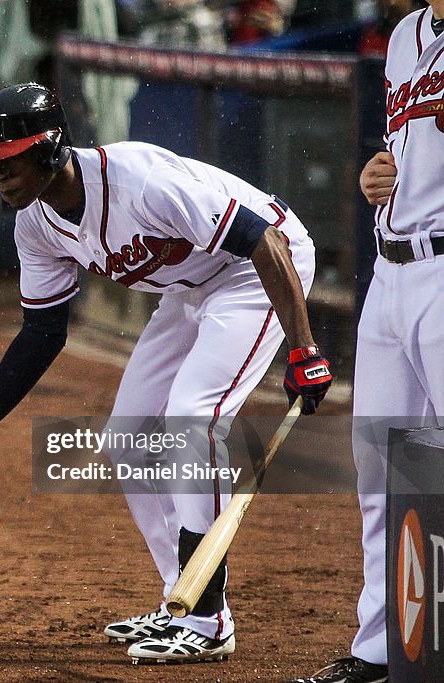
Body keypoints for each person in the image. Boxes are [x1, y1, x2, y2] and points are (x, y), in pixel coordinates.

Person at [0, 82, 333, 665]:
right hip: (190, 289)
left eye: (9, 161)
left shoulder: (139, 182)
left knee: (192, 419)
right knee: (127, 438)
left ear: (50, 149)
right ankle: (181, 599)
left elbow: (263, 238)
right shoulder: (35, 225)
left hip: (255, 269)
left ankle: (209, 619)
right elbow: (42, 333)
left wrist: (304, 350)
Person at [286, 2, 444, 682]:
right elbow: (407, 149)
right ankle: (387, 651)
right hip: (391, 270)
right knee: (383, 466)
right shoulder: (408, 35)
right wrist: (379, 177)